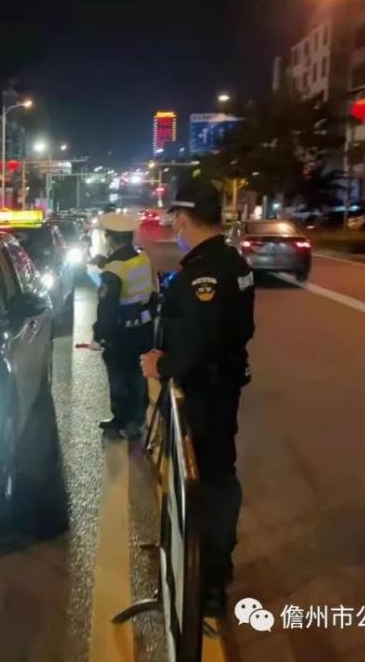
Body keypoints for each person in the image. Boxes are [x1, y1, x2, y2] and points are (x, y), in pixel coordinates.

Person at [140, 180, 255, 616]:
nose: (175, 228)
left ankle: (205, 581)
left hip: (205, 396)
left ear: (185, 219)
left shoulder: (203, 274)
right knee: (216, 477)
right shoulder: (233, 263)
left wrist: (161, 365)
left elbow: (200, 344)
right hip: (222, 390)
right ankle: (207, 570)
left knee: (205, 482)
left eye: (176, 220)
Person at [93, 212, 156, 439]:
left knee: (119, 377)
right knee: (138, 375)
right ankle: (137, 420)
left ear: (110, 238)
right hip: (144, 330)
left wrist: (100, 334)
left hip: (121, 334)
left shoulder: (113, 271)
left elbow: (107, 308)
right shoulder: (142, 259)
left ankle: (122, 420)